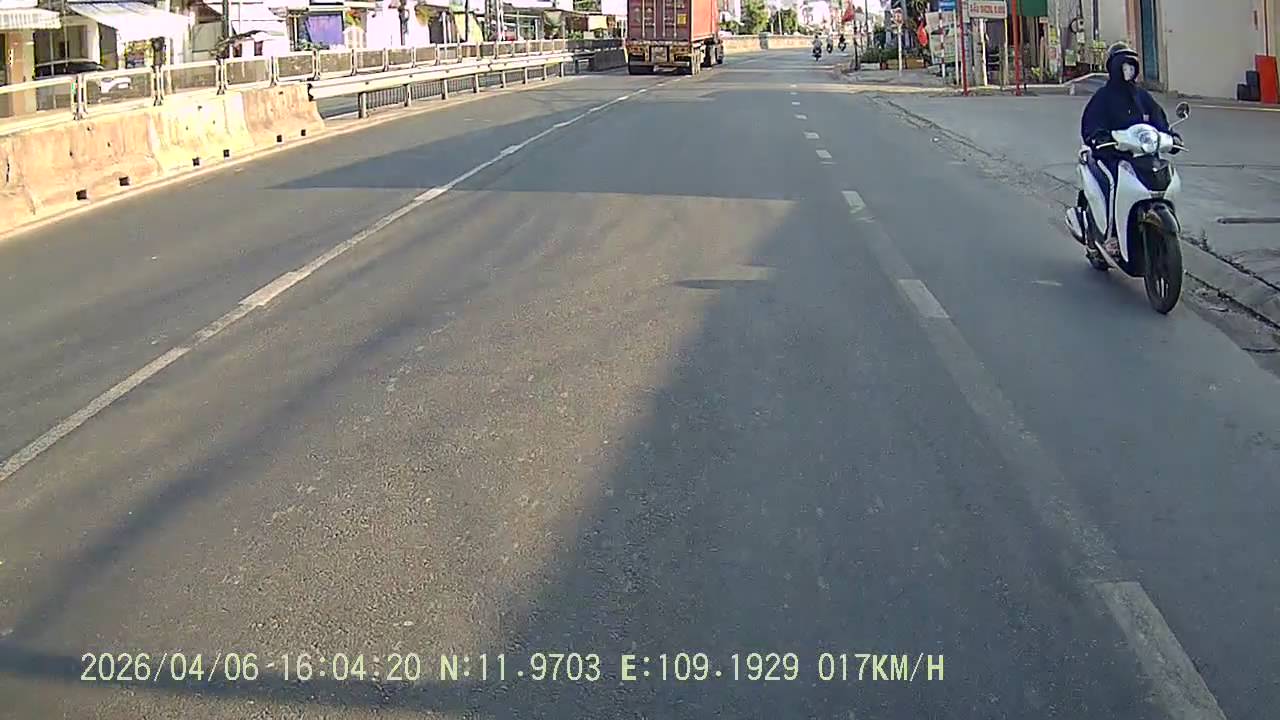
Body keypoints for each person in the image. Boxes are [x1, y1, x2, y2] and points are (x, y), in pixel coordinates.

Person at [1078, 42, 1177, 256]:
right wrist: (1099, 138)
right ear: (1113, 67)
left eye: (1131, 65)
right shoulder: (1103, 97)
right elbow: (1091, 124)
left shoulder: (1142, 96)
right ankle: (1110, 235)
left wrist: (1171, 136)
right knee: (1113, 184)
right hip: (1111, 156)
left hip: (1142, 156)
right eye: (1122, 65)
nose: (1127, 70)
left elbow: (1159, 119)